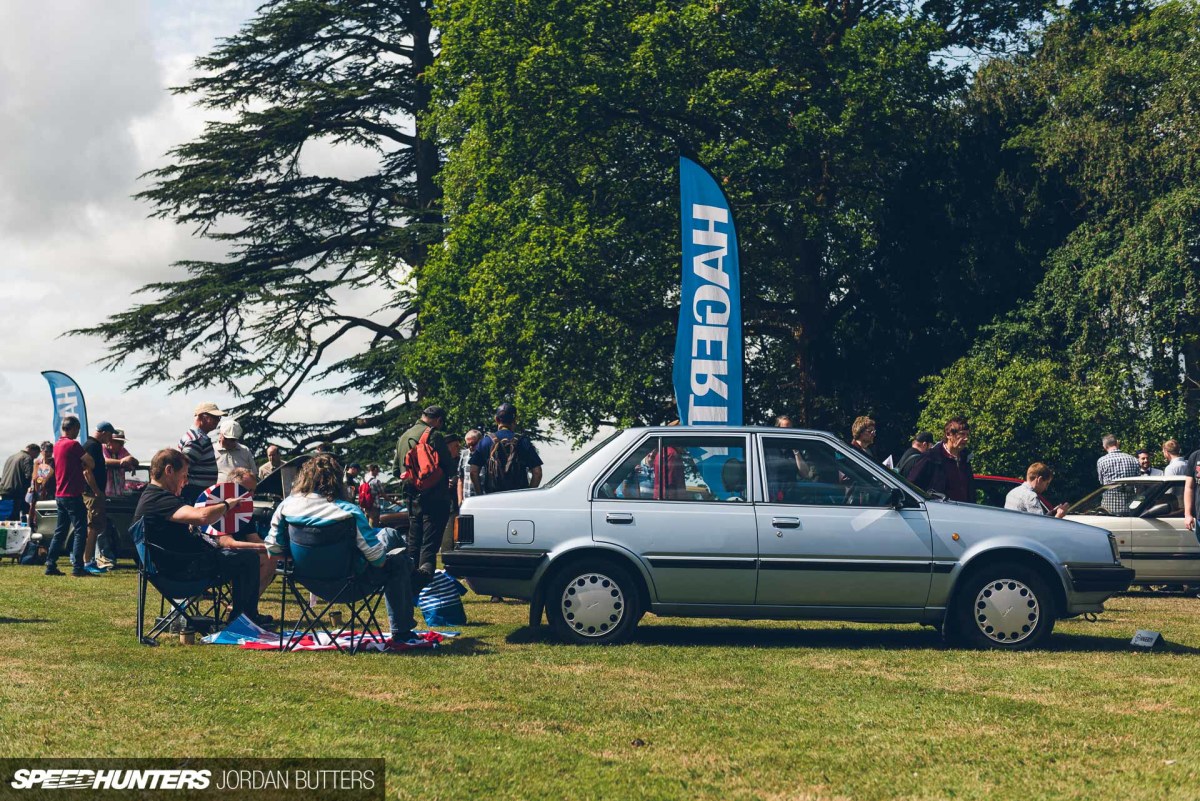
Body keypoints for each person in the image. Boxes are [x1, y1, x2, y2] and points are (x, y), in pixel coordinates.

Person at [266, 454, 416, 640]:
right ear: (336, 481)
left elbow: (272, 548)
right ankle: (403, 627)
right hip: (351, 583)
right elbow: (377, 560)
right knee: (395, 549)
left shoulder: (286, 507)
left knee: (387, 535)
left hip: (307, 580)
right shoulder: (348, 511)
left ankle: (411, 575)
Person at [134, 449, 264, 624]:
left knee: (238, 556)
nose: (186, 481)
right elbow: (202, 516)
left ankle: (242, 617)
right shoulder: (159, 500)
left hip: (172, 566)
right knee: (247, 559)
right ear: (169, 470)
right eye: (184, 475)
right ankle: (244, 621)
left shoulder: (151, 497)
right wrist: (227, 504)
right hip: (182, 571)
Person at [395, 406, 454, 591]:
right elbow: (449, 467)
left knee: (414, 541)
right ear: (437, 420)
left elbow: (396, 471)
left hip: (412, 497)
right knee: (429, 543)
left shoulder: (403, 437)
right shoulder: (434, 436)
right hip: (435, 497)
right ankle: (425, 587)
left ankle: (408, 585)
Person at [45, 416, 100, 577]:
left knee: (60, 531)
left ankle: (50, 563)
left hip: (60, 494)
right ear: (72, 428)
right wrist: (84, 463)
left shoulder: (57, 446)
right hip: (73, 494)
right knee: (80, 530)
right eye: (77, 429)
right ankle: (77, 566)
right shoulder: (73, 445)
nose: (78, 433)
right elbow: (91, 462)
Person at [469, 402, 544, 495]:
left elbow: (473, 472)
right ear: (515, 419)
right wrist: (527, 495)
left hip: (492, 499)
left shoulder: (485, 442)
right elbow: (537, 472)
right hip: (518, 498)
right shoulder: (523, 441)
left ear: (496, 419)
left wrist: (480, 495)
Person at [225, 467, 276, 597]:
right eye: (248, 491)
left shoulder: (245, 511)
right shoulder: (217, 507)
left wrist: (274, 546)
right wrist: (267, 547)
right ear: (232, 488)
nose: (252, 495)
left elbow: (254, 539)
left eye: (254, 491)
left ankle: (244, 605)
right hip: (216, 558)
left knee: (271, 558)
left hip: (238, 555)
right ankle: (243, 607)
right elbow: (228, 543)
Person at [908, 417, 974, 502]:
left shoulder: (965, 459)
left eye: (967, 435)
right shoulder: (931, 457)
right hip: (938, 512)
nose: (966, 438)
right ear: (948, 434)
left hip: (965, 511)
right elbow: (912, 485)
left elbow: (970, 491)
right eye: (962, 434)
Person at [81, 421, 117, 574]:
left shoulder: (92, 445)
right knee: (93, 527)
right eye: (109, 435)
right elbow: (86, 471)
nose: (109, 439)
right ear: (104, 432)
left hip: (92, 492)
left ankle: (86, 558)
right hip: (91, 493)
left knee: (94, 527)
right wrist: (96, 491)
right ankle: (87, 561)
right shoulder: (92, 446)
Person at [179, 402, 226, 500]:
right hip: (195, 493)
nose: (218, 420)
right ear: (203, 417)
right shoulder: (196, 440)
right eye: (215, 417)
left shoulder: (196, 437)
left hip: (197, 492)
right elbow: (182, 469)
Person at [0, 443, 39, 520]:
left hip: (4, 489)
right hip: (16, 491)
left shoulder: (11, 457)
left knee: (6, 516)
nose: (35, 457)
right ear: (33, 451)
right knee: (16, 517)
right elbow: (29, 476)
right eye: (36, 455)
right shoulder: (27, 458)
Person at [215, 418, 256, 483]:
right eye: (226, 438)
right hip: (216, 491)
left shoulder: (245, 451)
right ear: (220, 434)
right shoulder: (211, 450)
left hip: (241, 491)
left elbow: (254, 475)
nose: (229, 442)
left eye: (232, 440)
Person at [441, 435, 463, 554]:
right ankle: (447, 552)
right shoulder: (441, 461)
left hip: (455, 501)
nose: (458, 448)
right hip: (445, 501)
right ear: (448, 447)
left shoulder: (459, 460)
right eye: (456, 446)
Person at [28, 442, 54, 528]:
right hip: (37, 490)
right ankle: (33, 526)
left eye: (50, 451)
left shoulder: (54, 462)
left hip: (50, 491)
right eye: (46, 451)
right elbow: (34, 476)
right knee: (34, 510)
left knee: (47, 511)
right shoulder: (37, 462)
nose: (48, 453)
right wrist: (31, 487)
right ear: (42, 451)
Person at [103, 430, 138, 496]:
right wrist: (121, 462)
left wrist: (131, 460)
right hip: (105, 495)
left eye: (122, 443)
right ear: (110, 441)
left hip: (119, 493)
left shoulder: (122, 450)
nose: (121, 446)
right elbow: (104, 461)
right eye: (120, 443)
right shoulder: (102, 448)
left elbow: (135, 462)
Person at [457, 430, 482, 508]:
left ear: (480, 441)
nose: (471, 448)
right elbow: (460, 479)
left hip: (483, 500)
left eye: (473, 444)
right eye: (468, 445)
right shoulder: (464, 454)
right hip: (467, 502)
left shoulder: (486, 455)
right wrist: (460, 501)